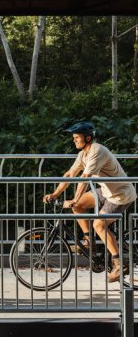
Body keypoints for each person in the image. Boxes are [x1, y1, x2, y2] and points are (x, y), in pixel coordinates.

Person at [43, 121, 137, 283]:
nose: (74, 140)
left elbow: (85, 178)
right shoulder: (83, 154)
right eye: (73, 138)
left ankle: (118, 264)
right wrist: (55, 194)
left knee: (99, 225)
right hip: (106, 191)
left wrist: (73, 199)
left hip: (120, 194)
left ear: (88, 138)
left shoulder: (97, 151)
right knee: (79, 206)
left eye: (77, 137)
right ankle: (89, 242)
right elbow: (70, 174)